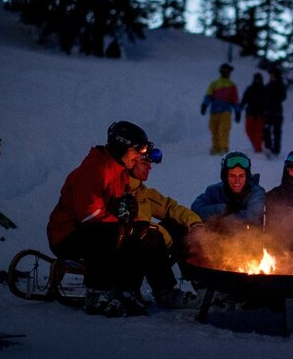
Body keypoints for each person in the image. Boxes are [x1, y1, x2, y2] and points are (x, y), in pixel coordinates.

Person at [47, 121, 203, 316]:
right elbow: (90, 215)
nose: (139, 157)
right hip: (67, 235)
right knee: (118, 233)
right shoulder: (94, 169)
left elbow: (130, 210)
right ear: (122, 146)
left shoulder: (118, 173)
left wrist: (131, 222)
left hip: (95, 231)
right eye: (137, 151)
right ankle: (97, 294)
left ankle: (127, 291)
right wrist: (125, 223)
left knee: (139, 233)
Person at [191, 151, 266, 232]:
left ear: (247, 177)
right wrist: (225, 208)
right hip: (217, 239)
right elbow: (196, 209)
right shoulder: (215, 190)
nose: (237, 181)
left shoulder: (256, 192)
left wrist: (221, 219)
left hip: (250, 240)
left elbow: (253, 216)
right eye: (232, 176)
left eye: (241, 176)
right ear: (225, 177)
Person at [200, 62, 240, 155]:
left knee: (223, 129)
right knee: (214, 128)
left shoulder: (232, 85)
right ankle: (216, 148)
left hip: (225, 111)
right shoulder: (214, 84)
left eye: (229, 72)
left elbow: (235, 100)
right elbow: (209, 95)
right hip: (214, 111)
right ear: (223, 72)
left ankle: (224, 147)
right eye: (227, 71)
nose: (228, 74)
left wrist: (237, 112)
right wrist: (204, 105)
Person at [238, 73, 266, 154]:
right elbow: (244, 99)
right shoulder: (250, 89)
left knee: (259, 132)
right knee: (248, 130)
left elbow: (267, 103)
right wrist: (240, 109)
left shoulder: (264, 90)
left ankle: (258, 149)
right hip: (250, 113)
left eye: (259, 79)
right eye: (256, 79)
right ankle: (256, 146)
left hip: (260, 114)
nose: (257, 81)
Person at [262, 67, 286, 158]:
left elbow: (282, 97)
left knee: (276, 132)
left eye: (272, 74)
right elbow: (263, 98)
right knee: (266, 130)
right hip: (268, 112)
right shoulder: (268, 85)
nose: (271, 76)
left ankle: (276, 150)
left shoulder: (280, 85)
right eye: (270, 74)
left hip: (277, 112)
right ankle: (268, 148)